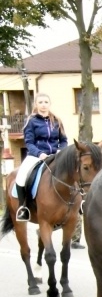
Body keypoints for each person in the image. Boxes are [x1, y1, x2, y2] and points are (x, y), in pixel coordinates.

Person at [15, 92, 69, 222]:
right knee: (21, 176)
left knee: (73, 171)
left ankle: (79, 203)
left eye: (46, 102)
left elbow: (63, 140)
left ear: (49, 104)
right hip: (36, 155)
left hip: (56, 155)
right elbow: (29, 142)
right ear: (36, 104)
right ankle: (23, 208)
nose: (43, 105)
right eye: (40, 102)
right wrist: (39, 153)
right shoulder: (31, 121)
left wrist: (61, 150)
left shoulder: (57, 121)